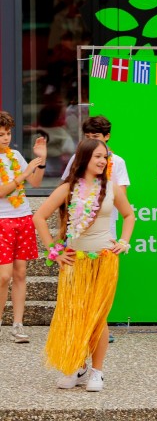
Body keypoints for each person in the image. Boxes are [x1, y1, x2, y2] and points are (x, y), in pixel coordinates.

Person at [33, 138, 135, 392]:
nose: (102, 161)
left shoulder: (111, 186)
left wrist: (124, 241)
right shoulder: (68, 188)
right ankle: (77, 367)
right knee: (75, 314)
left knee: (98, 317)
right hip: (75, 262)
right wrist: (54, 251)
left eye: (105, 157)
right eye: (97, 156)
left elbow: (129, 215)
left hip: (103, 260)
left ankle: (97, 372)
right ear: (85, 158)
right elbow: (39, 217)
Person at [0, 112, 46, 343]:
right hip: (2, 220)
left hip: (23, 217)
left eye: (8, 133)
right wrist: (24, 175)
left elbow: (35, 182)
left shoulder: (15, 155)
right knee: (3, 275)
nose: (5, 138)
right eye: (1, 134)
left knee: (20, 273)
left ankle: (18, 325)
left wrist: (41, 159)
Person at [61, 116, 130, 236]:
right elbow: (67, 186)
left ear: (107, 136)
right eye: (87, 137)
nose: (91, 141)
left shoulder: (117, 161)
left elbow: (122, 196)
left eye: (95, 136)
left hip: (106, 221)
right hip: (77, 220)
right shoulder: (76, 158)